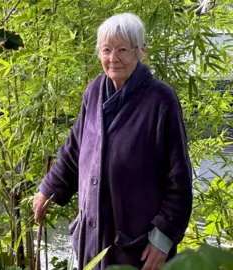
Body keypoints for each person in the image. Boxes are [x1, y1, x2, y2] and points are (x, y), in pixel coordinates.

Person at [33, 13, 193, 270]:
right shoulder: (94, 91)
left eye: (122, 50)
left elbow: (180, 180)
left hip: (137, 249)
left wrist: (163, 238)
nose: (113, 58)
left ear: (140, 51)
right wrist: (47, 190)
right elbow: (75, 150)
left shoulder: (161, 100)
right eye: (106, 50)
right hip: (92, 244)